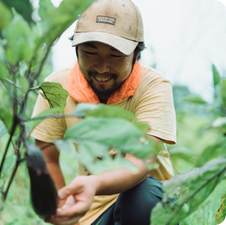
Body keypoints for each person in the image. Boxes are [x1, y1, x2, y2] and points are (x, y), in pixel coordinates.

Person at [31, 0, 176, 224]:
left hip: (152, 210)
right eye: (90, 52)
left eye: (115, 56)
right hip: (94, 214)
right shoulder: (55, 89)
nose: (102, 67)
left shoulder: (153, 85)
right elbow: (46, 156)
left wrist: (94, 183)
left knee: (142, 196)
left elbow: (138, 161)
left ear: (136, 53)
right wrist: (61, 208)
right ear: (76, 49)